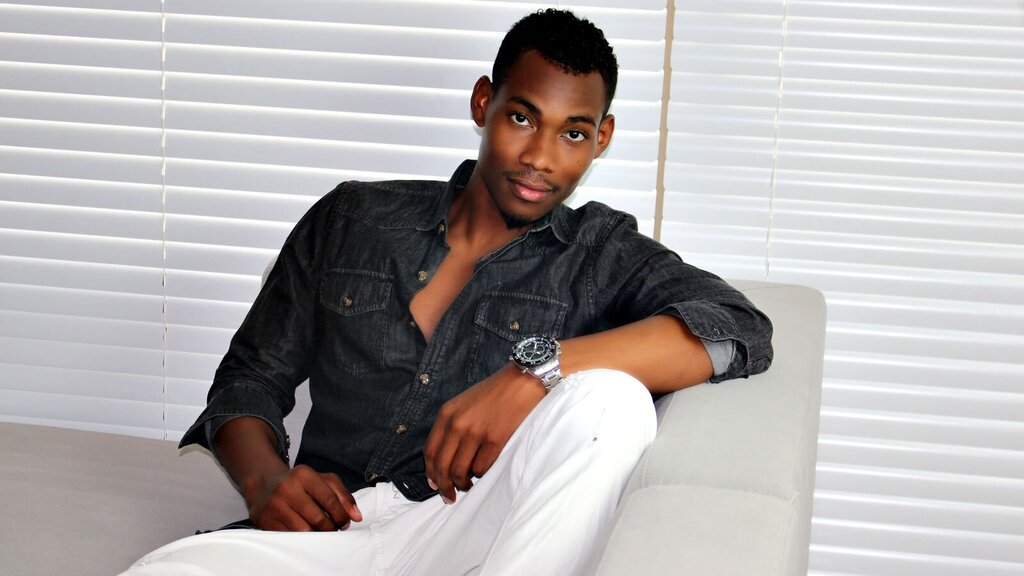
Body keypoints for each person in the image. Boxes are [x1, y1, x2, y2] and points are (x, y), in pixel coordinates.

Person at [123, 8, 772, 576]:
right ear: (483, 102)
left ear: (600, 138)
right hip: (325, 536)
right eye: (522, 117)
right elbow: (248, 380)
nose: (541, 157)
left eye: (573, 133)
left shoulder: (598, 253)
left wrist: (535, 372)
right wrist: (266, 481)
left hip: (470, 534)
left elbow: (739, 328)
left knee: (613, 401)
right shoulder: (353, 219)